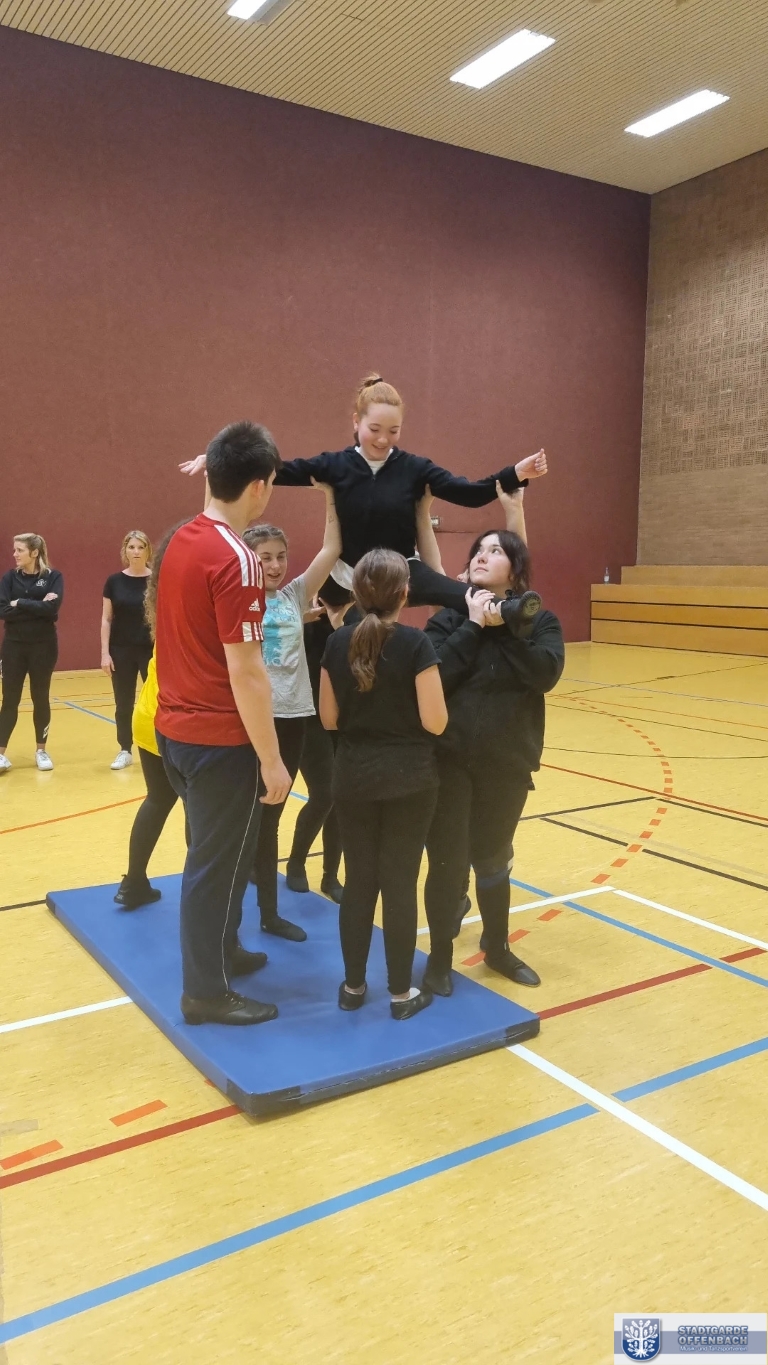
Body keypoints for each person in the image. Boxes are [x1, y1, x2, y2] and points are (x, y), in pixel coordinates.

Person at [180, 375, 547, 612]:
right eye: (374, 429)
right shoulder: (335, 465)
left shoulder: (415, 468)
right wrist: (219, 461)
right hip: (346, 576)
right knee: (323, 627)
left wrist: (516, 473)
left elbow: (469, 493)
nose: (384, 439)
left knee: (456, 595)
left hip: (402, 570)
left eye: (394, 431)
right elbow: (279, 469)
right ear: (356, 422)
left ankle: (508, 609)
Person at [154, 420, 292, 1027]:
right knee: (212, 869)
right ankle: (205, 994)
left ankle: (224, 950)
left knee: (221, 857)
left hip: (176, 735)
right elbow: (248, 671)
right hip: (218, 743)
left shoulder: (181, 540)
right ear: (260, 487)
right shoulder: (239, 561)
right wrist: (272, 760)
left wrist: (212, 464)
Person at [421, 529, 565, 998]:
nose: (483, 556)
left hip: (506, 764)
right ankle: (439, 959)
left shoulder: (540, 622)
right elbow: (435, 677)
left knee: (493, 858)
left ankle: (497, 948)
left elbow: (544, 674)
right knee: (447, 863)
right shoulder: (447, 620)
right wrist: (474, 625)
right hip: (448, 762)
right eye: (478, 551)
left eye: (496, 551)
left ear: (515, 571)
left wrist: (504, 626)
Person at [320, 549, 448, 1020]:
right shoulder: (416, 644)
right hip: (410, 781)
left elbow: (329, 718)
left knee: (359, 882)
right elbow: (436, 722)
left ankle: (353, 987)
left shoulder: (337, 643)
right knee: (399, 884)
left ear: (356, 593)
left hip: (353, 777)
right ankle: (400, 994)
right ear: (404, 594)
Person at [241, 479, 341, 941]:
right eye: (265, 558)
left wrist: (331, 495)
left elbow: (331, 550)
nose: (276, 565)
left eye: (281, 556)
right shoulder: (238, 598)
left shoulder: (293, 595)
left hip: (297, 717)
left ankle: (269, 911)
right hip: (257, 721)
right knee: (258, 817)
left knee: (273, 815)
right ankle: (255, 907)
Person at [112, 525, 190, 910]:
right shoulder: (190, 599)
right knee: (198, 807)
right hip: (177, 719)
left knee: (159, 798)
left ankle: (134, 883)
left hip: (149, 715)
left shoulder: (161, 595)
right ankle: (202, 901)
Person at [284, 574, 354, 903]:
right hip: (307, 718)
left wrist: (342, 625)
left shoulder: (354, 627)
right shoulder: (303, 625)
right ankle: (296, 862)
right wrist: (301, 619)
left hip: (342, 722)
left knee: (340, 798)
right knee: (325, 794)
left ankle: (330, 875)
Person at [0, 534, 63, 773]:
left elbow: (52, 608)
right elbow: (2, 610)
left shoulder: (53, 577)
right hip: (13, 647)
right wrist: (38, 606)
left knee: (40, 696)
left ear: (34, 553)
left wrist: (19, 603)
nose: (14, 554)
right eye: (14, 550)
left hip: (43, 647)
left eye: (20, 550)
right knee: (10, 700)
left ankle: (41, 751)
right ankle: (0, 753)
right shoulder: (9, 578)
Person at [101, 531, 153, 770]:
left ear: (147, 550)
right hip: (121, 650)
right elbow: (106, 619)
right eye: (131, 547)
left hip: (151, 650)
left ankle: (160, 748)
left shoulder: (156, 581)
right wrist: (105, 653)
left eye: (140, 547)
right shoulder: (114, 581)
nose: (136, 552)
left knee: (156, 701)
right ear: (125, 550)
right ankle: (125, 749)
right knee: (123, 703)